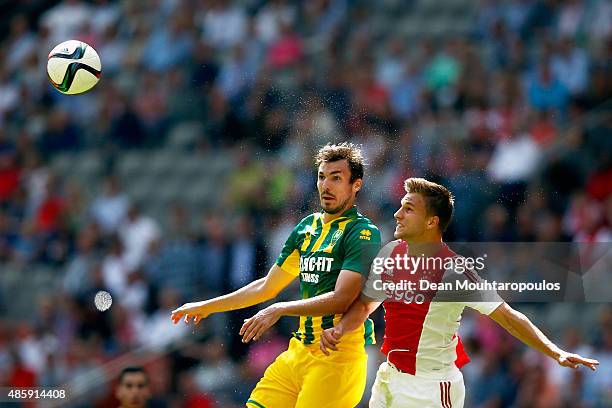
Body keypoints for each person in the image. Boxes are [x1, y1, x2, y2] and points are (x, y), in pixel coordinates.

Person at [320, 177, 599, 408]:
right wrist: (341, 329)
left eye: (408, 209)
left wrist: (555, 352)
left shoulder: (453, 270)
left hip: (430, 388)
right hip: (388, 380)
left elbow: (508, 317)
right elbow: (367, 304)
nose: (397, 214)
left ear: (431, 222)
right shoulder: (390, 254)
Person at [171, 143, 382, 407]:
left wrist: (280, 309)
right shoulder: (308, 227)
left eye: (336, 178)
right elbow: (266, 287)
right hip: (297, 355)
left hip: (336, 359)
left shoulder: (362, 232)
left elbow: (343, 298)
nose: (326, 185)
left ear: (356, 185)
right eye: (321, 176)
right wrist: (207, 307)